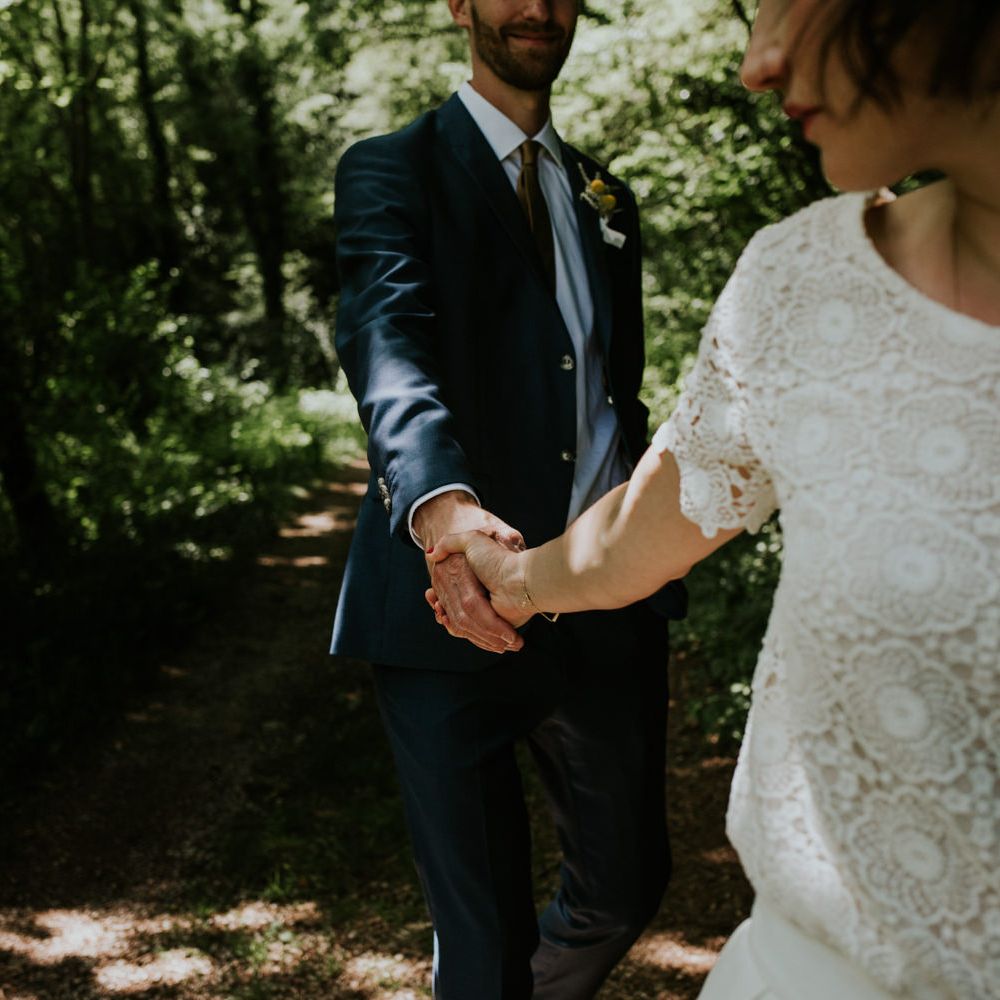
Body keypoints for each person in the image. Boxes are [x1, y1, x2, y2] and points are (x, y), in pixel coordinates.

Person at [426, 1, 1000, 997]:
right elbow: (639, 528)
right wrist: (498, 570)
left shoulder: (605, 191)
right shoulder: (800, 285)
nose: (756, 60)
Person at [329, 0, 686, 995]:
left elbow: (609, 386)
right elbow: (388, 349)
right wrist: (446, 519)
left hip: (601, 599)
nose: (536, 6)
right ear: (457, 4)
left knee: (625, 888)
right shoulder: (388, 168)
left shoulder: (605, 191)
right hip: (453, 606)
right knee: (479, 945)